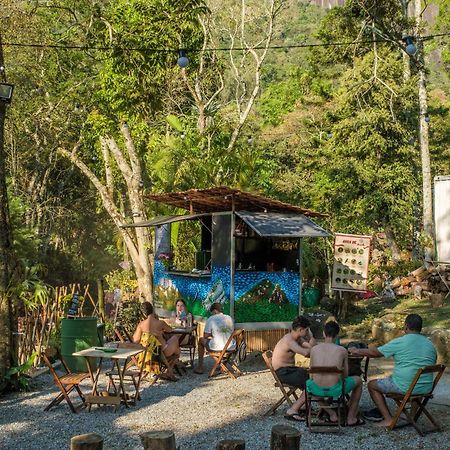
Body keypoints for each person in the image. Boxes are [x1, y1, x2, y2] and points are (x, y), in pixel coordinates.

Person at [349, 314, 437, 427]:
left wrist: (357, 351)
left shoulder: (401, 341)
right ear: (420, 328)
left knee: (372, 385)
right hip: (425, 387)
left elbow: (376, 353)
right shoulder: (430, 344)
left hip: (405, 387)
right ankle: (412, 416)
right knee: (415, 379)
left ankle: (388, 419)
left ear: (406, 327)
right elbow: (432, 363)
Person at [307, 321, 364, 426]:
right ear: (337, 335)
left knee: (309, 385)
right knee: (359, 381)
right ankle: (351, 418)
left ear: (324, 333)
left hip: (316, 388)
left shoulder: (314, 349)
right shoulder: (342, 350)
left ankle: (332, 414)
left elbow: (311, 375)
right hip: (336, 389)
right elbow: (346, 375)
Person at [271, 316, 316, 421]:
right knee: (313, 381)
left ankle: (303, 405)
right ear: (300, 330)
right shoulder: (289, 340)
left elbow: (312, 348)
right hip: (284, 372)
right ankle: (293, 410)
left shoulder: (297, 338)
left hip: (290, 370)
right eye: (307, 330)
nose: (308, 332)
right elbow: (305, 353)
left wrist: (310, 338)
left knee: (312, 376)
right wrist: (311, 340)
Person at [133, 302, 181, 380]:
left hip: (147, 353)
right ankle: (169, 369)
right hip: (163, 351)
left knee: (177, 349)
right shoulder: (160, 323)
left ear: (143, 313)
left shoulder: (141, 325)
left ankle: (169, 369)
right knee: (176, 339)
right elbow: (170, 330)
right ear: (153, 311)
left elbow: (135, 340)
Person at [193, 302, 234, 374]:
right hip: (231, 346)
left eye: (212, 312)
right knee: (217, 340)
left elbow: (205, 335)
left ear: (215, 311)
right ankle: (222, 364)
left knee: (201, 340)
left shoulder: (211, 319)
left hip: (219, 347)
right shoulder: (229, 318)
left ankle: (200, 367)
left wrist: (212, 334)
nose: (212, 314)